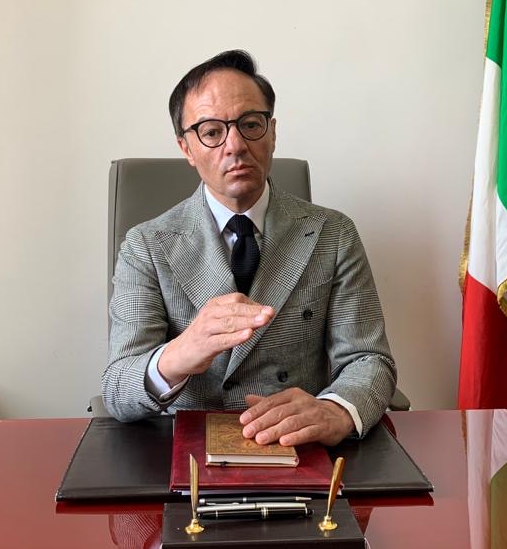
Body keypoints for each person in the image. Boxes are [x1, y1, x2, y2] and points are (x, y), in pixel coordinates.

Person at [103, 50, 396, 446]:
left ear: (272, 133)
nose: (236, 145)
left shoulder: (333, 233)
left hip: (295, 444)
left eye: (251, 125)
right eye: (211, 132)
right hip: (185, 448)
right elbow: (117, 388)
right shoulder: (146, 245)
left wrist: (336, 411)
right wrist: (182, 352)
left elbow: (368, 359)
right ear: (186, 148)